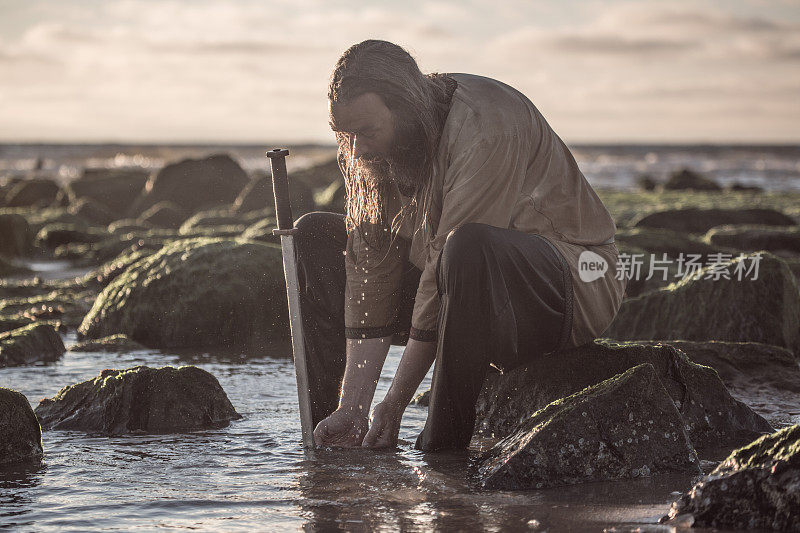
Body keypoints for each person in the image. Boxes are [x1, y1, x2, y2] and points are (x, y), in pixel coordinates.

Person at [294, 39, 625, 452]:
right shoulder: (379, 148)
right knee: (314, 236)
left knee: (468, 246)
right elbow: (372, 266)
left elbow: (444, 271)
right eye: (345, 135)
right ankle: (334, 432)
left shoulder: (488, 125)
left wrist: (395, 403)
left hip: (570, 287)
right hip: (463, 286)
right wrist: (358, 404)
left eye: (366, 132)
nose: (357, 151)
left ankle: (442, 449)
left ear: (407, 109)